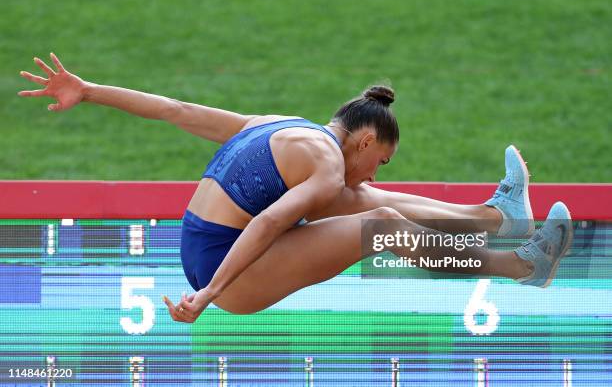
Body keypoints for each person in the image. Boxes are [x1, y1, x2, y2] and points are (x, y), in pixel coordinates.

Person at [18, 53, 573, 324]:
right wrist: (208, 297)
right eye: (379, 159)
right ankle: (526, 266)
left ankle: (497, 216)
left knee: (363, 202)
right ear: (362, 140)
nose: (376, 172)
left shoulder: (280, 126)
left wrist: (90, 90)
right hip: (226, 274)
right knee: (378, 225)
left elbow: (175, 110)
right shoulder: (329, 166)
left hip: (213, 250)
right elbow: (266, 223)